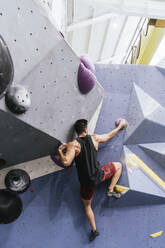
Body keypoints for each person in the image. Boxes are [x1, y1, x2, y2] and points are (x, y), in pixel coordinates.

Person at [58, 119, 128, 242]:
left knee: (87, 205)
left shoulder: (73, 144)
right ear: (86, 129)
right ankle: (110, 189)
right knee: (118, 166)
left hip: (86, 184)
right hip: (100, 175)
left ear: (76, 132)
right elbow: (108, 136)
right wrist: (120, 127)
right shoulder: (94, 138)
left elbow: (66, 162)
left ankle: (94, 230)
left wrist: (60, 152)